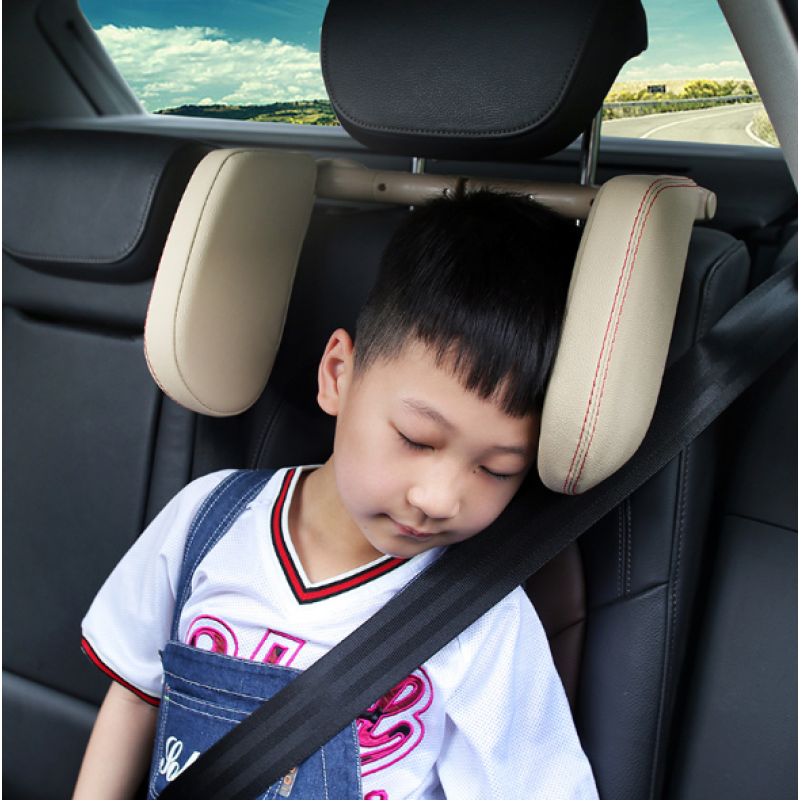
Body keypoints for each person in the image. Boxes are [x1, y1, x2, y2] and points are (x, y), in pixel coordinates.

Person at [73, 190, 598, 799]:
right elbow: (135, 696)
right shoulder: (208, 521)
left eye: (497, 469)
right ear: (337, 377)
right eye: (416, 438)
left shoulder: (483, 621)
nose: (439, 498)